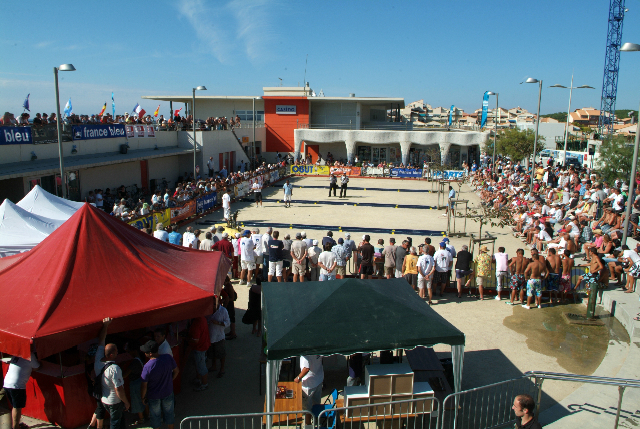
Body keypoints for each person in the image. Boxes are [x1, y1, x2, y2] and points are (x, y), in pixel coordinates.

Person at [95, 318, 130, 429]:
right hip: (115, 402)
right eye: (116, 352)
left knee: (120, 422)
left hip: (104, 400)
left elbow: (101, 340)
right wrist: (126, 402)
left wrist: (105, 325)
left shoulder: (98, 360)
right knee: (115, 424)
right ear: (111, 355)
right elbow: (118, 389)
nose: (118, 353)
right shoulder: (115, 369)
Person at [140, 340, 179, 429]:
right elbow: (176, 371)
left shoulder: (147, 367)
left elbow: (144, 385)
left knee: (155, 417)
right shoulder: (168, 358)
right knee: (169, 414)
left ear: (150, 354)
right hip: (168, 392)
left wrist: (142, 397)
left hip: (153, 396)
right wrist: (170, 380)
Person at [3, 351, 40, 429]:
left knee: (15, 406)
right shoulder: (30, 354)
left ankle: (16, 425)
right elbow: (37, 367)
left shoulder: (16, 353)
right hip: (17, 385)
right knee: (17, 407)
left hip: (7, 383)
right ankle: (16, 427)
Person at [294, 355, 324, 425]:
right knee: (316, 404)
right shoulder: (319, 349)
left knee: (308, 409)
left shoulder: (305, 355)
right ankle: (316, 420)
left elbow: (306, 369)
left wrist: (298, 378)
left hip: (308, 385)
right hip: (318, 380)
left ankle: (308, 425)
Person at [207, 296, 230, 378]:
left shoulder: (223, 311)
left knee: (221, 354)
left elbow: (228, 323)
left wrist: (219, 323)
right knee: (212, 353)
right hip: (210, 336)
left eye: (214, 303)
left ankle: (222, 368)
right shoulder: (207, 311)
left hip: (219, 337)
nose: (212, 305)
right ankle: (214, 366)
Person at [187, 316, 210, 391]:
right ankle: (198, 379)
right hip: (203, 345)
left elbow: (196, 340)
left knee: (201, 366)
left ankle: (204, 384)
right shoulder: (202, 318)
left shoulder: (197, 323)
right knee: (199, 364)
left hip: (199, 348)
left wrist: (187, 339)